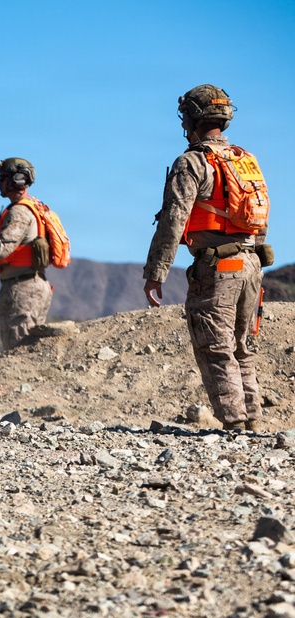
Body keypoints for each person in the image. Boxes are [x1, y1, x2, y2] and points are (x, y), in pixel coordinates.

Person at [144, 85, 270, 432]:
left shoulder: (192, 162)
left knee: (215, 347)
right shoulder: (246, 160)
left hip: (217, 267)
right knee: (241, 346)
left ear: (192, 118)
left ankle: (234, 424)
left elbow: (174, 220)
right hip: (252, 263)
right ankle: (252, 423)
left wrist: (156, 272)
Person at [0, 158, 54, 350]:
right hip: (26, 285)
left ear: (18, 180)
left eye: (3, 178)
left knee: (18, 348)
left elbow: (0, 249)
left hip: (23, 288)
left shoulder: (19, 213)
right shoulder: (27, 208)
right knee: (25, 348)